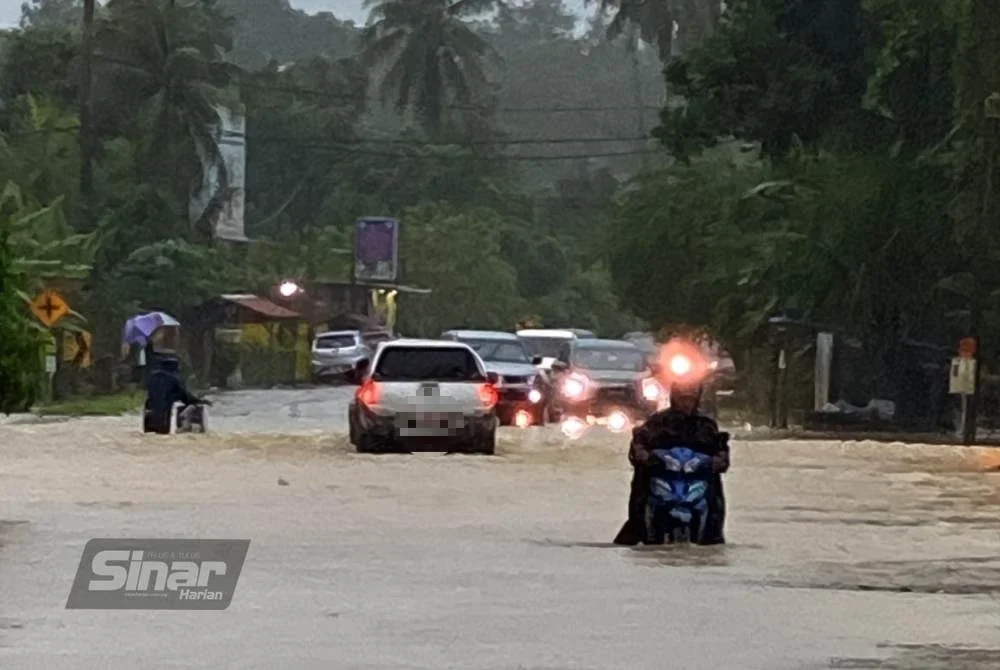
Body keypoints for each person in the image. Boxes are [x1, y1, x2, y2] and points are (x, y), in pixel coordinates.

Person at [613, 382, 730, 545]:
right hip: (663, 478)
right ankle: (640, 527)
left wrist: (719, 458)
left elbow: (720, 448)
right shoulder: (657, 422)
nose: (686, 404)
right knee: (641, 487)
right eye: (682, 400)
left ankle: (712, 534)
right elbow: (640, 442)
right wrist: (642, 453)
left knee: (714, 495)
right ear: (674, 399)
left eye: (690, 400)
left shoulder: (706, 425)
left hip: (696, 480)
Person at [143, 355, 211, 435]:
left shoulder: (152, 377)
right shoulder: (173, 379)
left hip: (148, 415)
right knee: (162, 438)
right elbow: (185, 397)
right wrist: (200, 401)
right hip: (163, 417)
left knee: (149, 437)